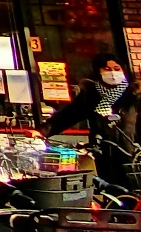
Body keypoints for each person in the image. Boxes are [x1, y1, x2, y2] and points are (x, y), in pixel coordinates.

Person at [42, 53, 140, 193]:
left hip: (134, 157)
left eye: (116, 68)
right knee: (114, 194)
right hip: (105, 155)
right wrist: (41, 131)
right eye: (107, 69)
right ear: (98, 72)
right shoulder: (91, 96)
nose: (113, 73)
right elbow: (67, 116)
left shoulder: (133, 96)